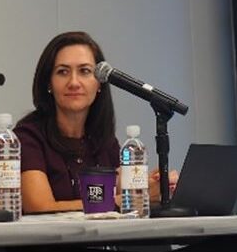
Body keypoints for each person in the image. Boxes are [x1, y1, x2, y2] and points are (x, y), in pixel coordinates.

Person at [15, 31, 175, 213]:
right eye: (63, 72)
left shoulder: (103, 139)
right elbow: (39, 206)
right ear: (49, 83)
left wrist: (153, 185)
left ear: (99, 83)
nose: (74, 82)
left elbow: (123, 190)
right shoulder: (28, 137)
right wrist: (122, 202)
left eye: (84, 71)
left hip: (100, 239)